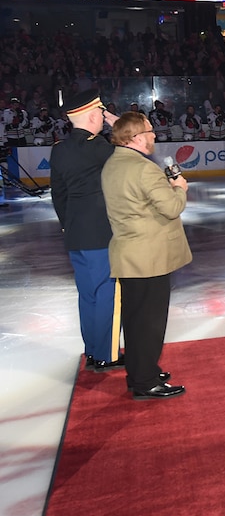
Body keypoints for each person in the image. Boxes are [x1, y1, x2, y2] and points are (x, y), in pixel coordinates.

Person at [101, 112, 192, 399]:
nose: (154, 135)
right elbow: (171, 208)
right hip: (149, 257)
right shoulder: (144, 169)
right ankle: (146, 381)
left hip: (129, 255)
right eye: (150, 131)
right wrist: (179, 189)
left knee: (136, 320)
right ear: (136, 137)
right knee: (149, 323)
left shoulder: (113, 163)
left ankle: (141, 371)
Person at [50, 89, 123, 371]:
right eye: (101, 115)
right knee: (107, 292)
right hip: (101, 234)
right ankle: (107, 354)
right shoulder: (100, 147)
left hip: (76, 234)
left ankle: (92, 350)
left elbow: (59, 195)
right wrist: (117, 124)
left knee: (88, 294)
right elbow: (136, 145)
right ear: (94, 116)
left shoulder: (59, 150)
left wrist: (67, 226)